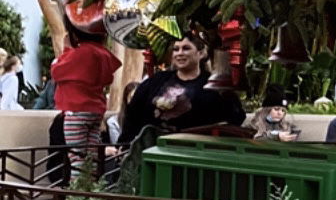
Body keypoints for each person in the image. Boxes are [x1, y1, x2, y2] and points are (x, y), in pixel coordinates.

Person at [117, 34, 246, 145]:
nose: (180, 53)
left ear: (201, 53)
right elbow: (133, 116)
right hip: (152, 149)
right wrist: (124, 145)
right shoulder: (156, 81)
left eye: (186, 48)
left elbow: (236, 118)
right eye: (176, 49)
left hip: (193, 152)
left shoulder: (213, 85)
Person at [50, 23, 122, 174]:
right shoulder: (102, 53)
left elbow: (57, 71)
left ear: (76, 33)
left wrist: (67, 49)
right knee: (92, 157)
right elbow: (108, 78)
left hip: (76, 110)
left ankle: (78, 189)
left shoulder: (81, 53)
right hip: (96, 111)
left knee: (77, 158)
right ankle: (91, 187)